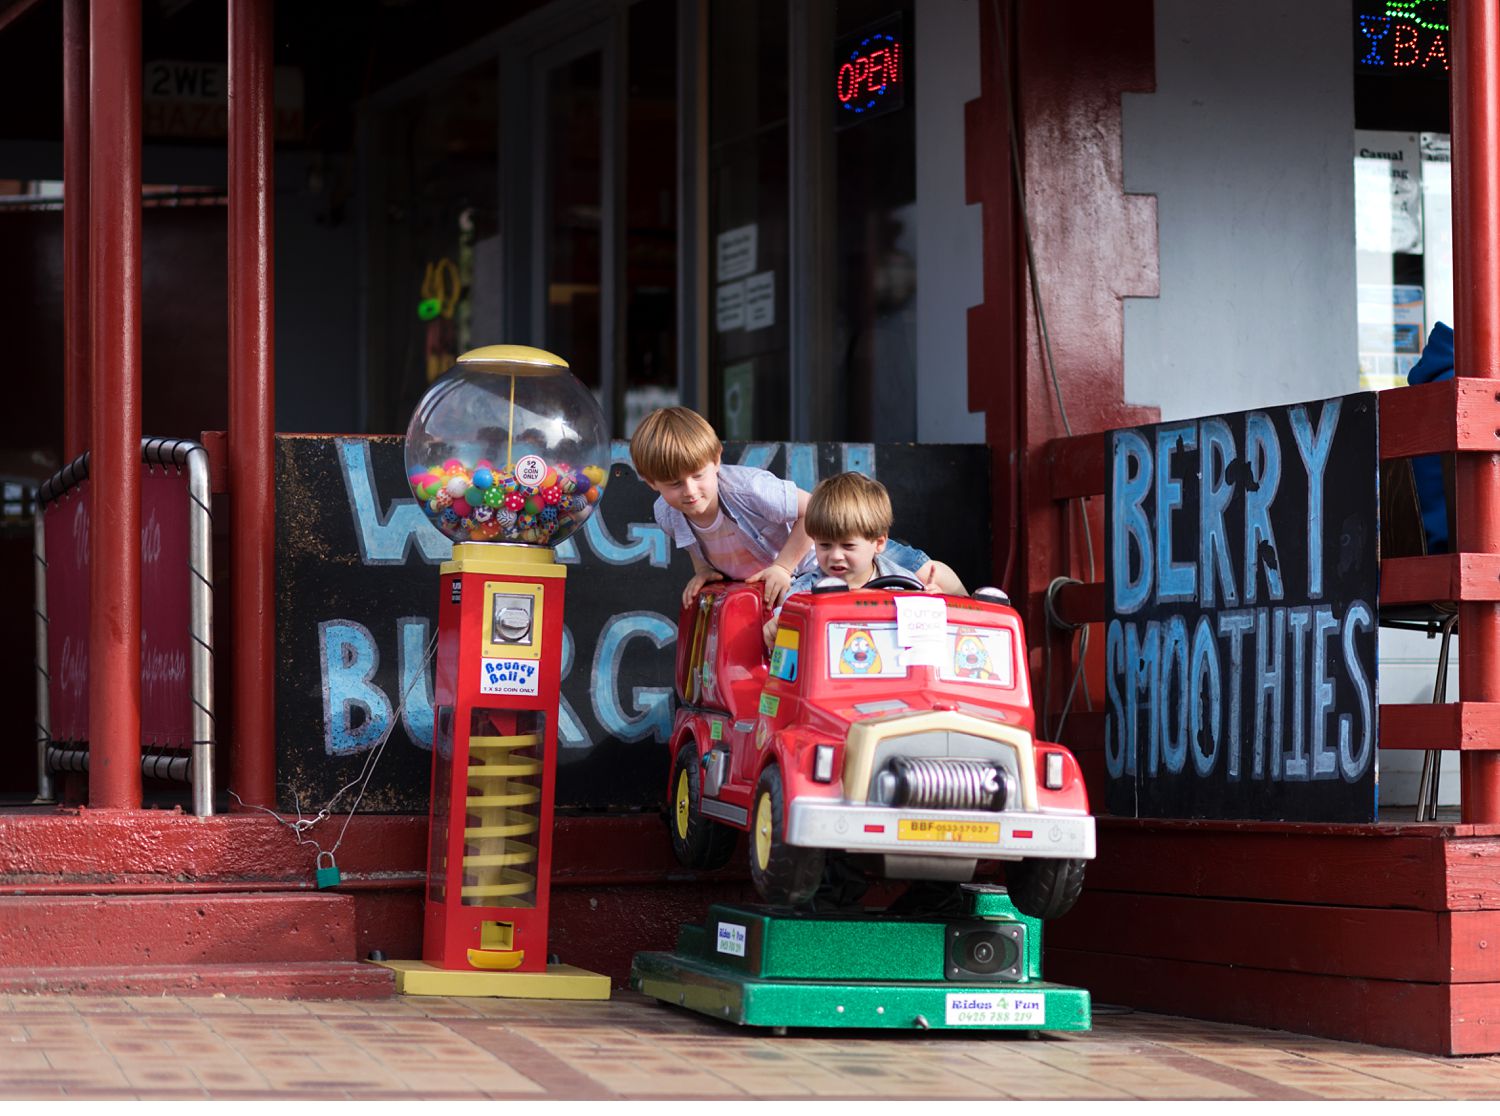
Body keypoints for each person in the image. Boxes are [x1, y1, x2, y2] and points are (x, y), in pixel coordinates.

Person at [630, 406, 962, 608]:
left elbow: (815, 511)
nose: (689, 491)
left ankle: (973, 608)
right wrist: (703, 571)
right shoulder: (667, 513)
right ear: (650, 482)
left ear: (716, 460)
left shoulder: (749, 488)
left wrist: (783, 567)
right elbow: (691, 541)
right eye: (673, 483)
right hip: (798, 582)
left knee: (924, 573)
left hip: (829, 553)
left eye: (697, 475)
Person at [762, 472, 965, 649]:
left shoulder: (904, 583)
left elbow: (929, 640)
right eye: (824, 545)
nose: (835, 555)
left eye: (848, 546)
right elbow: (785, 624)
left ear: (879, 543)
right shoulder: (804, 592)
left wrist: (933, 606)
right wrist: (777, 628)